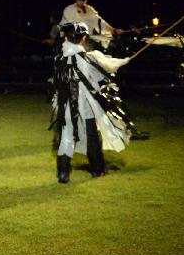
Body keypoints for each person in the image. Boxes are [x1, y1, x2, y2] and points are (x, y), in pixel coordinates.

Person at [51, 22, 134, 183]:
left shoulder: (59, 58)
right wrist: (124, 61)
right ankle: (98, 169)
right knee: (91, 138)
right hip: (85, 106)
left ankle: (63, 173)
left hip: (65, 106)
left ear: (66, 38)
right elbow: (107, 67)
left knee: (66, 138)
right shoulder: (88, 58)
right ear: (83, 39)